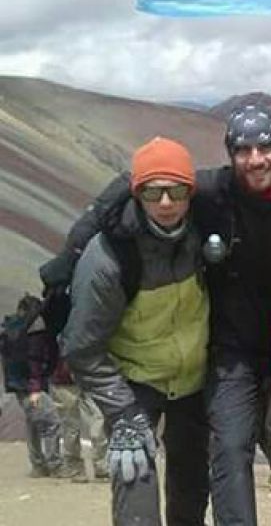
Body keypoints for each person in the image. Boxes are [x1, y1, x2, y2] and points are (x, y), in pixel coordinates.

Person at [43, 104, 271, 525]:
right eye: (242, 149)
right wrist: (69, 254)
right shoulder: (206, 194)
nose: (254, 159)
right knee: (224, 452)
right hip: (225, 349)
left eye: (265, 146)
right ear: (230, 155)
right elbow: (140, 182)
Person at [61, 137, 210, 525]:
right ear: (137, 193)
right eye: (152, 191)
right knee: (135, 485)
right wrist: (122, 411)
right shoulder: (108, 258)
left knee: (192, 492)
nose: (165, 202)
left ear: (191, 193)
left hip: (193, 381)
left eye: (176, 190)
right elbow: (81, 348)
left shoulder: (205, 235)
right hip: (133, 384)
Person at [1, 293, 65, 478]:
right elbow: (34, 361)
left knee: (33, 423)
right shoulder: (33, 332)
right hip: (32, 386)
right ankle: (54, 465)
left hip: (17, 385)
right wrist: (36, 388)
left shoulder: (10, 329)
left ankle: (38, 465)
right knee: (52, 423)